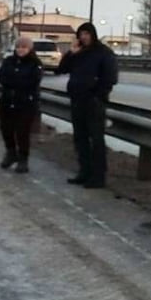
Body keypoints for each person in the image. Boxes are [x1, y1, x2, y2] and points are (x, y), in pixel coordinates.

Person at [56, 22, 118, 189]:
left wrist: (98, 95)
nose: (83, 37)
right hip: (77, 100)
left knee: (96, 139)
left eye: (86, 34)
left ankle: (98, 177)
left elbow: (110, 78)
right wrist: (70, 53)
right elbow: (61, 69)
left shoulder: (104, 53)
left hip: (94, 102)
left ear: (93, 34)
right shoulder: (79, 53)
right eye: (81, 34)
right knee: (80, 138)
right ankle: (84, 172)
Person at [0, 37, 44, 173]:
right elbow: (0, 76)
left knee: (22, 132)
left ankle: (23, 158)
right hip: (7, 101)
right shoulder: (9, 61)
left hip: (25, 103)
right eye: (18, 47)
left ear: (29, 49)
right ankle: (11, 153)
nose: (21, 50)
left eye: (24, 47)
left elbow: (33, 81)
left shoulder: (35, 63)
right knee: (6, 129)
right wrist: (13, 82)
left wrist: (14, 82)